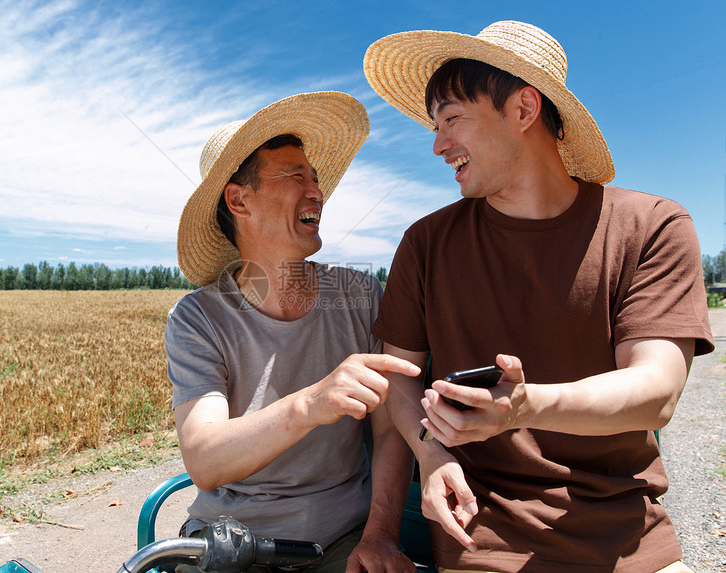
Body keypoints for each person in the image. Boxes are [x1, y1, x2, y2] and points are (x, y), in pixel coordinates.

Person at [362, 20, 715, 573]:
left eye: (452, 118)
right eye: (435, 125)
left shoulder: (652, 226)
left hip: (629, 543)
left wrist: (524, 409)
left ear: (524, 109)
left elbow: (657, 392)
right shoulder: (425, 243)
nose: (437, 145)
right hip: (481, 542)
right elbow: (397, 381)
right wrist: (430, 456)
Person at [164, 91, 420, 573]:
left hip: (343, 540)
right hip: (232, 545)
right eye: (295, 176)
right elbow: (204, 458)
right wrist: (310, 403)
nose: (317, 192)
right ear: (239, 200)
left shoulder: (361, 296)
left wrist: (381, 535)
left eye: (317, 179)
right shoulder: (197, 320)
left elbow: (391, 431)